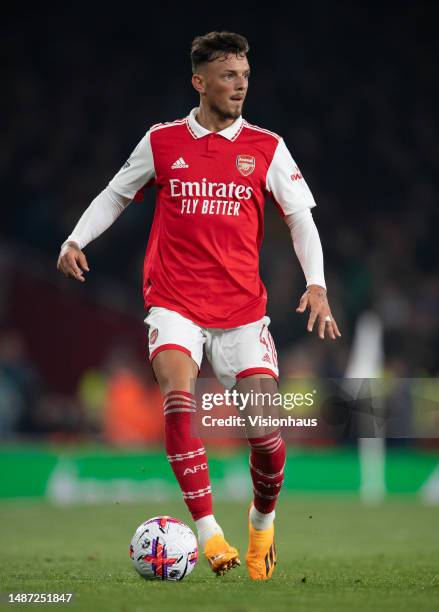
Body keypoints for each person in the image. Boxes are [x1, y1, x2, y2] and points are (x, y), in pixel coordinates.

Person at [57, 31, 341, 580]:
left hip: (241, 313)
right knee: (178, 401)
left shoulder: (266, 146)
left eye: (245, 76)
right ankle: (208, 533)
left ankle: (262, 521)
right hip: (173, 303)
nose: (240, 85)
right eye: (229, 75)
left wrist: (318, 284)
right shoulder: (163, 141)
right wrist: (75, 239)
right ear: (200, 81)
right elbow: (117, 192)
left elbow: (300, 216)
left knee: (265, 434)